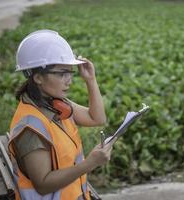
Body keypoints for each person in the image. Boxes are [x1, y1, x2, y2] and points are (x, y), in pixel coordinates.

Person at [8, 29, 115, 200]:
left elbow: (97, 118)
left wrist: (91, 80)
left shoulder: (54, 103)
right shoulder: (31, 127)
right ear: (38, 78)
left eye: (70, 73)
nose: (69, 80)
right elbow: (42, 185)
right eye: (61, 73)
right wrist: (89, 164)